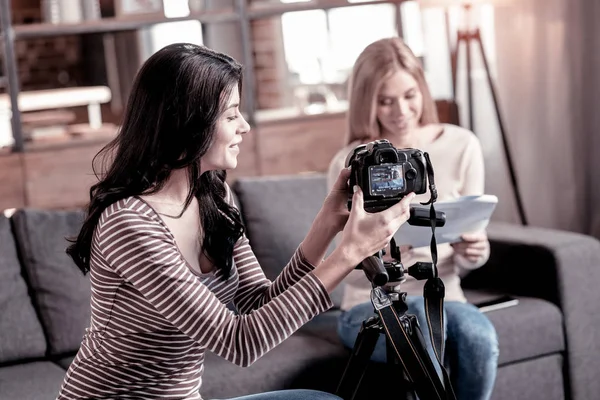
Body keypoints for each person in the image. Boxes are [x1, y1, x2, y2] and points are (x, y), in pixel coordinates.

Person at [55, 43, 415, 400]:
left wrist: (327, 225)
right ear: (187, 124)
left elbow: (255, 303)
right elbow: (239, 342)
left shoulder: (213, 196)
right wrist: (349, 254)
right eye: (231, 115)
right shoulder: (129, 224)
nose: (244, 126)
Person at [327, 37, 499, 400]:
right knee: (419, 329)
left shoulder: (461, 144)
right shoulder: (352, 161)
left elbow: (472, 237)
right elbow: (339, 255)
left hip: (447, 298)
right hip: (371, 304)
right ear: (366, 103)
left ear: (423, 89)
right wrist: (375, 259)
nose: (400, 111)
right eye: (385, 101)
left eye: (409, 95)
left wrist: (475, 251)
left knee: (479, 339)